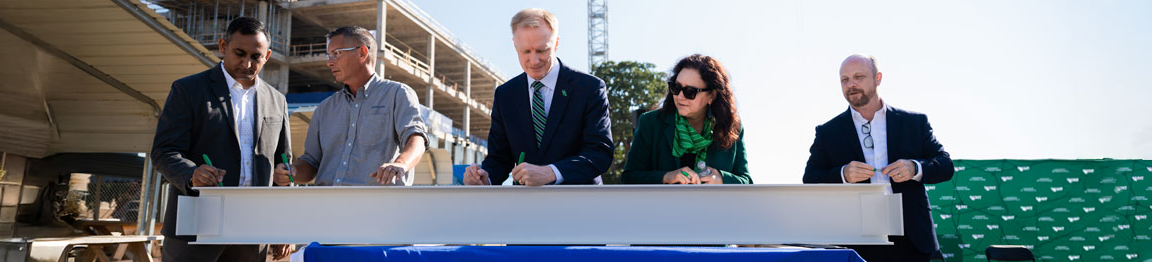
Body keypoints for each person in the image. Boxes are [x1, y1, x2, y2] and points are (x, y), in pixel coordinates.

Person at [151, 17, 292, 262]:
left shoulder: (277, 100)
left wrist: (283, 225)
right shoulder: (189, 90)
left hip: (253, 227)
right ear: (222, 46)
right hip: (196, 221)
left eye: (256, 57)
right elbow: (164, 151)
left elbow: (283, 163)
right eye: (239, 53)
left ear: (267, 56)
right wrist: (191, 173)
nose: (247, 63)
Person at [802, 54, 954, 261]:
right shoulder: (828, 132)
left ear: (878, 78)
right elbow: (810, 178)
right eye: (844, 79)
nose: (851, 84)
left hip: (913, 238)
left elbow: (945, 164)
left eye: (858, 77)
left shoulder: (914, 123)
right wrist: (843, 174)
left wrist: (914, 168)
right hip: (857, 240)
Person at [462, 8, 612, 186]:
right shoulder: (505, 95)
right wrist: (484, 177)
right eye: (525, 52)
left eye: (541, 50)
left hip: (579, 205)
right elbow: (499, 158)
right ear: (514, 45)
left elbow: (600, 153)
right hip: (526, 207)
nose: (533, 61)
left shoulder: (589, 89)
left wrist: (552, 173)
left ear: (556, 44)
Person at [276, 26, 428, 186]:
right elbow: (311, 162)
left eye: (336, 53)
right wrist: (292, 172)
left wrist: (401, 164)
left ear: (362, 52)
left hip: (379, 206)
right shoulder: (324, 109)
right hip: (328, 206)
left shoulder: (398, 94)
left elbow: (416, 138)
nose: (329, 62)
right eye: (329, 55)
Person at [622, 54, 751, 185]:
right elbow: (629, 178)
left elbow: (746, 182)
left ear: (711, 96)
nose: (680, 97)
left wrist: (721, 179)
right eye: (676, 88)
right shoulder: (650, 123)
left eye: (690, 91)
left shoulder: (732, 127)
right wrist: (665, 177)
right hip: (663, 205)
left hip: (713, 205)